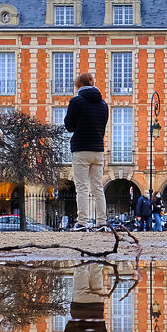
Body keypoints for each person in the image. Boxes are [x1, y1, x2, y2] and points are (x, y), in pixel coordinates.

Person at [63, 72, 108, 230]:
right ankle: (102, 222)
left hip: (81, 149)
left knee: (82, 187)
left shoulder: (76, 101)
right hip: (98, 151)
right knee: (97, 187)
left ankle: (82, 222)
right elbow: (102, 128)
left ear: (79, 85)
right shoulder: (103, 104)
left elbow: (69, 126)